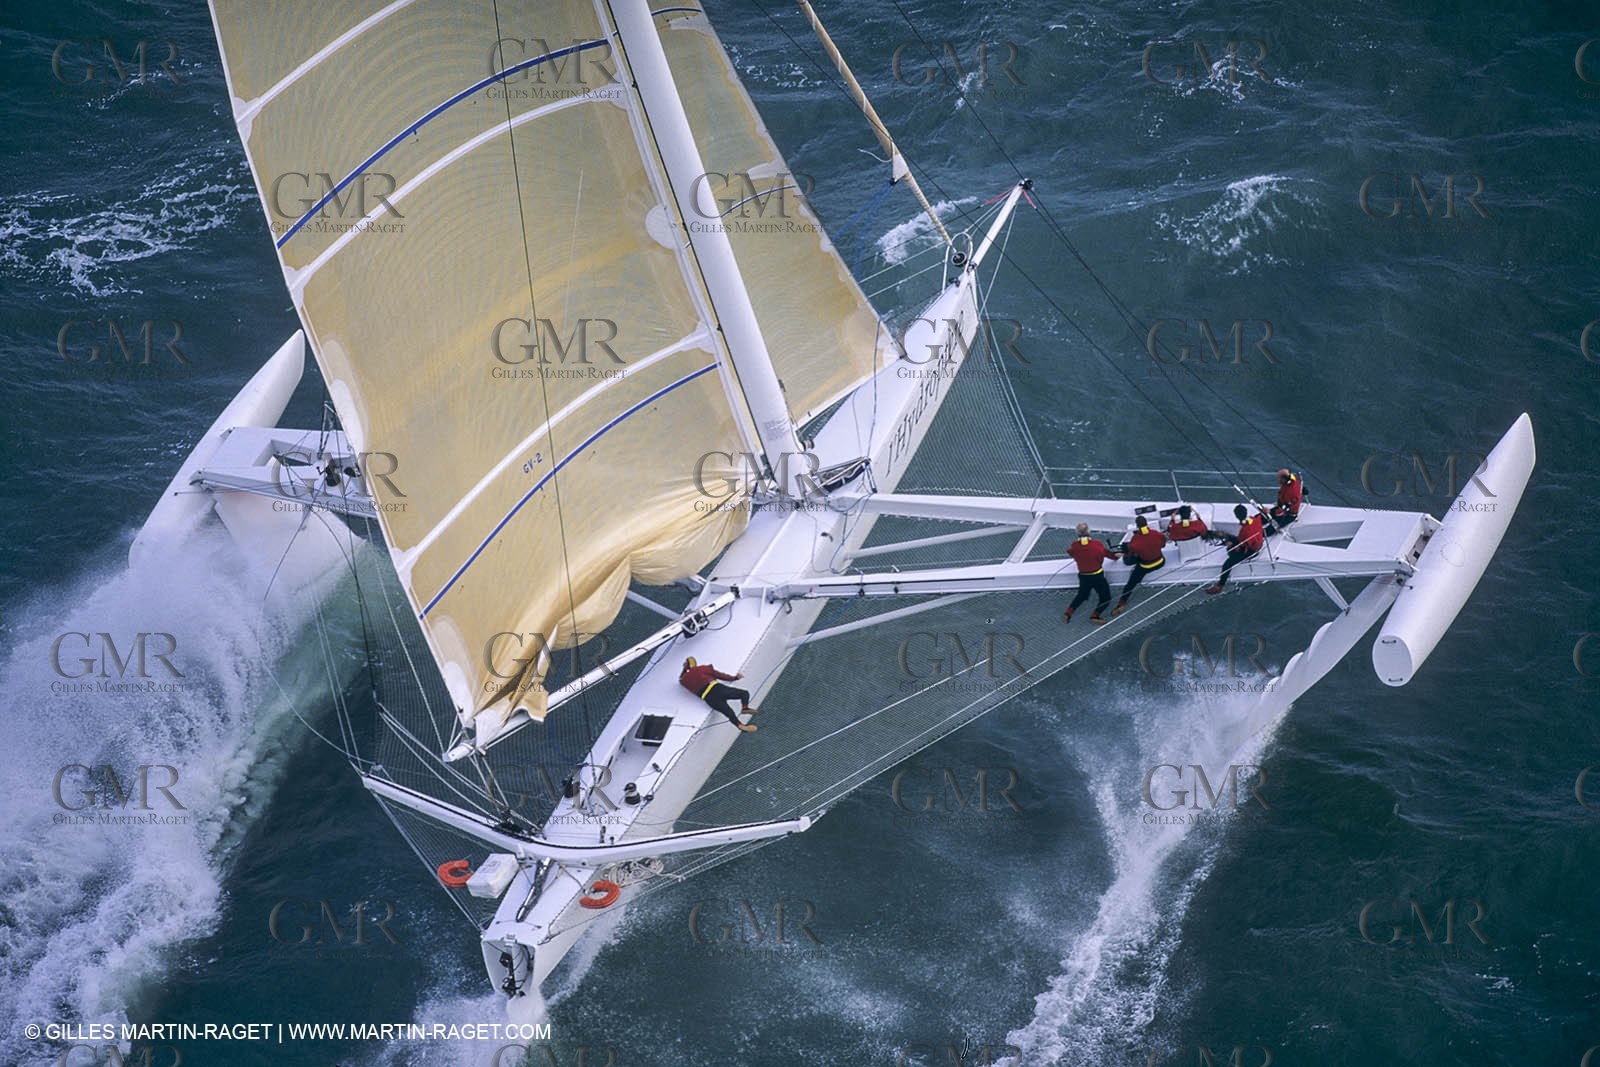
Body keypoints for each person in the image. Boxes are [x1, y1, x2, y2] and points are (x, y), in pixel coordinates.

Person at [678, 657, 758, 732]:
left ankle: (739, 725)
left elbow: (681, 680)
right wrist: (734, 678)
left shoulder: (684, 679)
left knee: (728, 712)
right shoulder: (703, 669)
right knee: (744, 693)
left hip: (707, 697)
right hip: (716, 688)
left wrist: (684, 669)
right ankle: (745, 707)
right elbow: (720, 675)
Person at [1063, 522, 1119, 624]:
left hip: (1083, 576)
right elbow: (1106, 553)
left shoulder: (1074, 546)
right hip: (1097, 575)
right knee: (1105, 598)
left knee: (1082, 595)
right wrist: (1115, 556)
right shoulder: (1097, 544)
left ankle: (1068, 613)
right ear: (1089, 532)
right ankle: (1095, 615)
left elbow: (1070, 551)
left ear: (1077, 533)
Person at [1206, 505, 1265, 594]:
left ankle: (1220, 585)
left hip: (1251, 550)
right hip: (1257, 542)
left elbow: (1241, 547)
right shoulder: (1253, 519)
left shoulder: (1245, 531)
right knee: (1229, 537)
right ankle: (1221, 536)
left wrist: (1231, 546)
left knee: (1227, 563)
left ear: (1236, 516)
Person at [1115, 514, 1167, 614]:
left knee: (1130, 583)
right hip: (1160, 562)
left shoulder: (1135, 540)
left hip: (1145, 566)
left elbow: (1129, 555)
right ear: (1147, 524)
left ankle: (1122, 602)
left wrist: (1126, 551)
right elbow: (1163, 544)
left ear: (1137, 526)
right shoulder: (1157, 534)